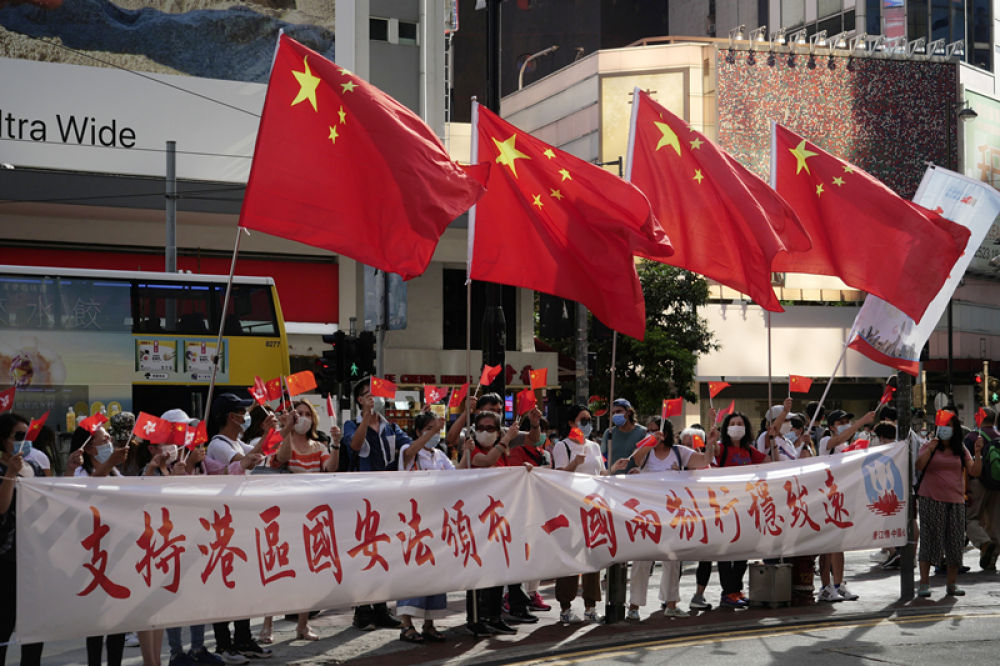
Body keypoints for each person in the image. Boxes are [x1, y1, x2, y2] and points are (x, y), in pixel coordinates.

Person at [261, 400, 339, 643]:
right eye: (299, 414)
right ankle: (267, 625)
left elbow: (329, 469)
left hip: (311, 519)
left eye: (307, 414)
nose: (303, 418)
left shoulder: (319, 446)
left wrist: (336, 444)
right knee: (277, 571)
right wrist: (286, 430)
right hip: (284, 517)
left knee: (308, 572)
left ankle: (303, 625)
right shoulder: (281, 440)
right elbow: (280, 459)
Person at [203, 394, 270, 663]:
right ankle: (223, 644)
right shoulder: (218, 444)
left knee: (244, 583)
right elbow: (246, 459)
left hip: (240, 520)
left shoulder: (235, 441)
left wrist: (282, 430)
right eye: (242, 412)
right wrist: (268, 434)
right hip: (222, 525)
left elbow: (262, 455)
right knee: (224, 585)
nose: (246, 416)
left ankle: (243, 638)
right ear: (231, 416)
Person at [627, 420, 713, 620]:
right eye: (649, 430)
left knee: (673, 561)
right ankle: (634, 606)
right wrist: (649, 443)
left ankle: (671, 603)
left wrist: (710, 443)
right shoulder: (646, 452)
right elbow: (636, 460)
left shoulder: (679, 452)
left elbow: (704, 461)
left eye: (655, 430)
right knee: (641, 561)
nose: (651, 433)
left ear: (665, 432)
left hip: (672, 515)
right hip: (647, 515)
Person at [552, 405, 628, 624]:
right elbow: (557, 477)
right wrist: (574, 464)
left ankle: (590, 606)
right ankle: (565, 607)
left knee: (593, 558)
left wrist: (613, 469)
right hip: (570, 509)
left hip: (593, 509)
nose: (587, 424)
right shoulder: (562, 446)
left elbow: (600, 473)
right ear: (571, 423)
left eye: (589, 420)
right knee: (570, 558)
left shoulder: (594, 446)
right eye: (582, 420)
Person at [395, 412, 465, 644]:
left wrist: (467, 453)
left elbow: (455, 477)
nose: (435, 433)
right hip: (413, 521)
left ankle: (429, 624)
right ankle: (406, 625)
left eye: (436, 428)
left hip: (437, 521)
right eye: (429, 428)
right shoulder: (409, 450)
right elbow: (409, 453)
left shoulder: (440, 454)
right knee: (412, 571)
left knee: (436, 571)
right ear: (418, 431)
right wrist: (434, 431)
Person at [342, 379, 406, 632]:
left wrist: (430, 431)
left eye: (376, 395)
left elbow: (408, 448)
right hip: (361, 497)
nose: (373, 399)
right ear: (359, 400)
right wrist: (366, 418)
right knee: (363, 553)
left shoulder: (390, 427)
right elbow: (355, 445)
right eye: (368, 395)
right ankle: (362, 611)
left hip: (386, 496)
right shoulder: (352, 424)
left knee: (383, 552)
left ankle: (381, 608)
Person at [464, 409, 519, 637]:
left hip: (499, 519)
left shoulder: (503, 452)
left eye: (490, 428)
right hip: (476, 518)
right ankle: (475, 618)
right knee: (477, 570)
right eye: (480, 428)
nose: (484, 432)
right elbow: (486, 462)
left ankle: (495, 617)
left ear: (497, 431)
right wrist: (506, 440)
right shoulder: (471, 450)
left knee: (498, 569)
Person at [917, 412, 982, 597]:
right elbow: (919, 466)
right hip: (930, 499)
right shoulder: (929, 445)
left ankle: (952, 584)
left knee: (955, 542)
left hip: (955, 501)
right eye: (942, 425)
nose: (944, 429)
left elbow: (974, 471)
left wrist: (978, 453)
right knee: (930, 540)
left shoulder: (960, 448)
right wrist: (930, 449)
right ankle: (924, 583)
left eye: (948, 426)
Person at [816, 409, 875, 602]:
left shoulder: (846, 446)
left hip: (842, 498)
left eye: (846, 421)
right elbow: (841, 437)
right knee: (827, 545)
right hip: (827, 498)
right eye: (840, 422)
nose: (845, 425)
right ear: (831, 427)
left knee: (839, 544)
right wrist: (862, 420)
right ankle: (825, 587)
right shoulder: (826, 442)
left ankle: (838, 584)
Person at [1, 412, 45, 666]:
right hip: (7, 558)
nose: (24, 441)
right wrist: (10, 472)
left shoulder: (34, 468)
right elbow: (2, 508)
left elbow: (50, 500)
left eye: (28, 435)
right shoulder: (3, 469)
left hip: (34, 556)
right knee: (4, 624)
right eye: (18, 436)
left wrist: (71, 470)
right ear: (3, 440)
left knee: (35, 628)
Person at [714, 411, 769, 608]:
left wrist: (773, 440)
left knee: (743, 550)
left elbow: (769, 462)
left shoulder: (749, 451)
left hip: (746, 508)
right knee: (725, 552)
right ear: (726, 428)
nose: (736, 427)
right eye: (732, 423)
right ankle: (728, 592)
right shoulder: (722, 449)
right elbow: (710, 453)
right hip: (726, 508)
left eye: (740, 423)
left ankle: (736, 590)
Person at [502, 409, 551, 618]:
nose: (540, 435)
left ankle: (532, 592)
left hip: (538, 508)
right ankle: (512, 597)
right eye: (535, 429)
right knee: (518, 554)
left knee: (536, 552)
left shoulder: (545, 454)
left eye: (542, 430)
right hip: (518, 509)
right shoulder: (516, 450)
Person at [965, 407, 1000, 572]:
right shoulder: (998, 437)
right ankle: (991, 561)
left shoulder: (972, 437)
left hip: (977, 483)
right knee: (995, 523)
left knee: (969, 519)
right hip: (997, 484)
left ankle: (984, 544)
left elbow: (965, 464)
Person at [601, 398, 647, 469]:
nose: (615, 415)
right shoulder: (608, 433)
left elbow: (648, 459)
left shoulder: (643, 432)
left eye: (618, 411)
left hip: (635, 475)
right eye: (613, 413)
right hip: (612, 475)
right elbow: (602, 457)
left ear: (629, 412)